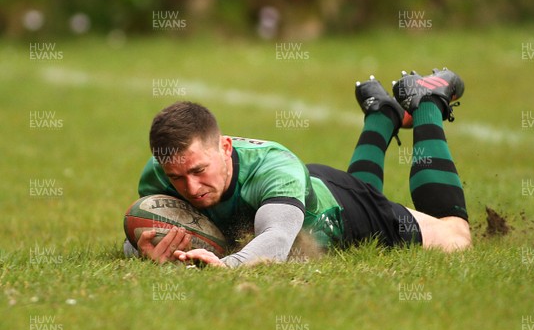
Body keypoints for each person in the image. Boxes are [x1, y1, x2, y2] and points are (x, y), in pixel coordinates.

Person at [124, 68, 471, 266]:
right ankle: (382, 114)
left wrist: (226, 267)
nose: (191, 187)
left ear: (225, 147)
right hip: (304, 188)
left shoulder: (273, 168)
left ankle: (429, 100)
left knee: (456, 237)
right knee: (365, 187)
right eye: (177, 177)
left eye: (199, 170)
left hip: (341, 210)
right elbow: (154, 225)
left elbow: (276, 241)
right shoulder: (159, 172)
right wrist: (143, 248)